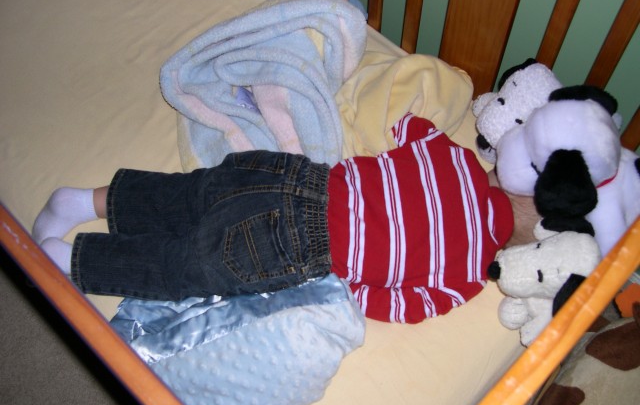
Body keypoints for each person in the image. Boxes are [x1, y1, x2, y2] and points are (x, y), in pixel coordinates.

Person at [33, 113, 538, 323]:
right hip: (304, 244)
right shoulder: (469, 276)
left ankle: (83, 202)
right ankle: (73, 258)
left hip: (299, 177)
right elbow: (404, 306)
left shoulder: (456, 157)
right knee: (187, 266)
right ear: (521, 245)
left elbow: (413, 127)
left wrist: (410, 137)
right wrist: (359, 288)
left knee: (189, 194)